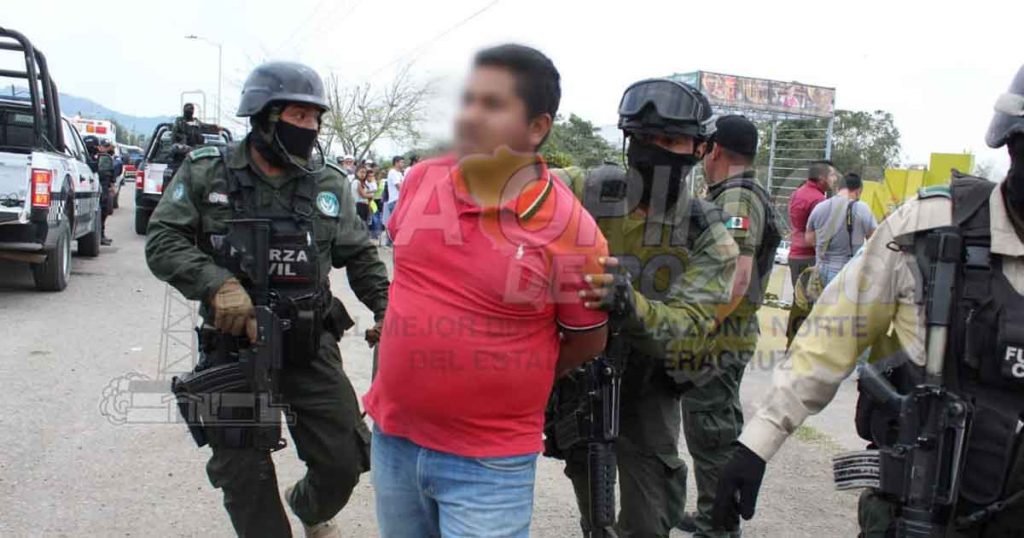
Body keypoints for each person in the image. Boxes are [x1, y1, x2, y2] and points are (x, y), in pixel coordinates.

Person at [711, 65, 1024, 537]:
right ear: (1014, 144)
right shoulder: (931, 232)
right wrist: (757, 444)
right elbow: (831, 336)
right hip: (928, 517)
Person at [363, 44, 610, 538]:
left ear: (537, 128)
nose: (471, 115)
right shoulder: (419, 181)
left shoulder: (573, 231)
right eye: (468, 100)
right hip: (393, 440)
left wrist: (517, 373)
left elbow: (587, 341)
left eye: (492, 105)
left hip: (488, 464)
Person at [145, 61, 390, 538]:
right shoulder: (207, 173)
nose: (311, 128)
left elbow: (360, 255)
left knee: (345, 458)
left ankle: (310, 508)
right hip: (233, 347)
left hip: (308, 343)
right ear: (263, 116)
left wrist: (388, 308)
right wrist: (218, 284)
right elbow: (162, 240)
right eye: (299, 117)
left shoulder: (329, 185)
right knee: (244, 472)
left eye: (316, 118)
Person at [555, 78, 739, 538]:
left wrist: (629, 304)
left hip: (648, 379)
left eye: (671, 141)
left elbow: (688, 327)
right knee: (590, 487)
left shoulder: (706, 232)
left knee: (649, 509)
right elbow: (523, 190)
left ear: (699, 149)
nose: (655, 151)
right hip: (582, 367)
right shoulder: (586, 188)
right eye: (644, 139)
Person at [675, 114, 780, 538]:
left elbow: (737, 275)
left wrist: (700, 327)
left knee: (711, 429)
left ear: (713, 148)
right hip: (724, 333)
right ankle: (711, 514)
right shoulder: (734, 193)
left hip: (719, 335)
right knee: (712, 427)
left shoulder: (737, 197)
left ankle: (718, 526)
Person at [805, 172, 877, 286]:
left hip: (820, 273)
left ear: (838, 188)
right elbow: (875, 240)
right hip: (846, 274)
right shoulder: (862, 208)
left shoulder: (819, 207)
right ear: (858, 191)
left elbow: (809, 239)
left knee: (820, 304)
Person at [381, 155, 406, 246]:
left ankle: (392, 240)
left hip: (400, 200)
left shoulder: (400, 173)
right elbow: (399, 187)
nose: (403, 164)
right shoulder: (392, 172)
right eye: (401, 162)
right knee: (395, 222)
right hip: (395, 200)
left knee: (399, 221)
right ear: (396, 163)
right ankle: (390, 241)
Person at [96, 139, 117, 245]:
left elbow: (112, 174)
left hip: (105, 187)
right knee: (103, 211)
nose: (109, 149)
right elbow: (106, 174)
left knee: (105, 211)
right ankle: (100, 236)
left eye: (109, 146)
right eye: (106, 146)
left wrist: (112, 186)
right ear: (99, 147)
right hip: (102, 188)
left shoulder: (107, 158)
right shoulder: (102, 158)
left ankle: (101, 235)